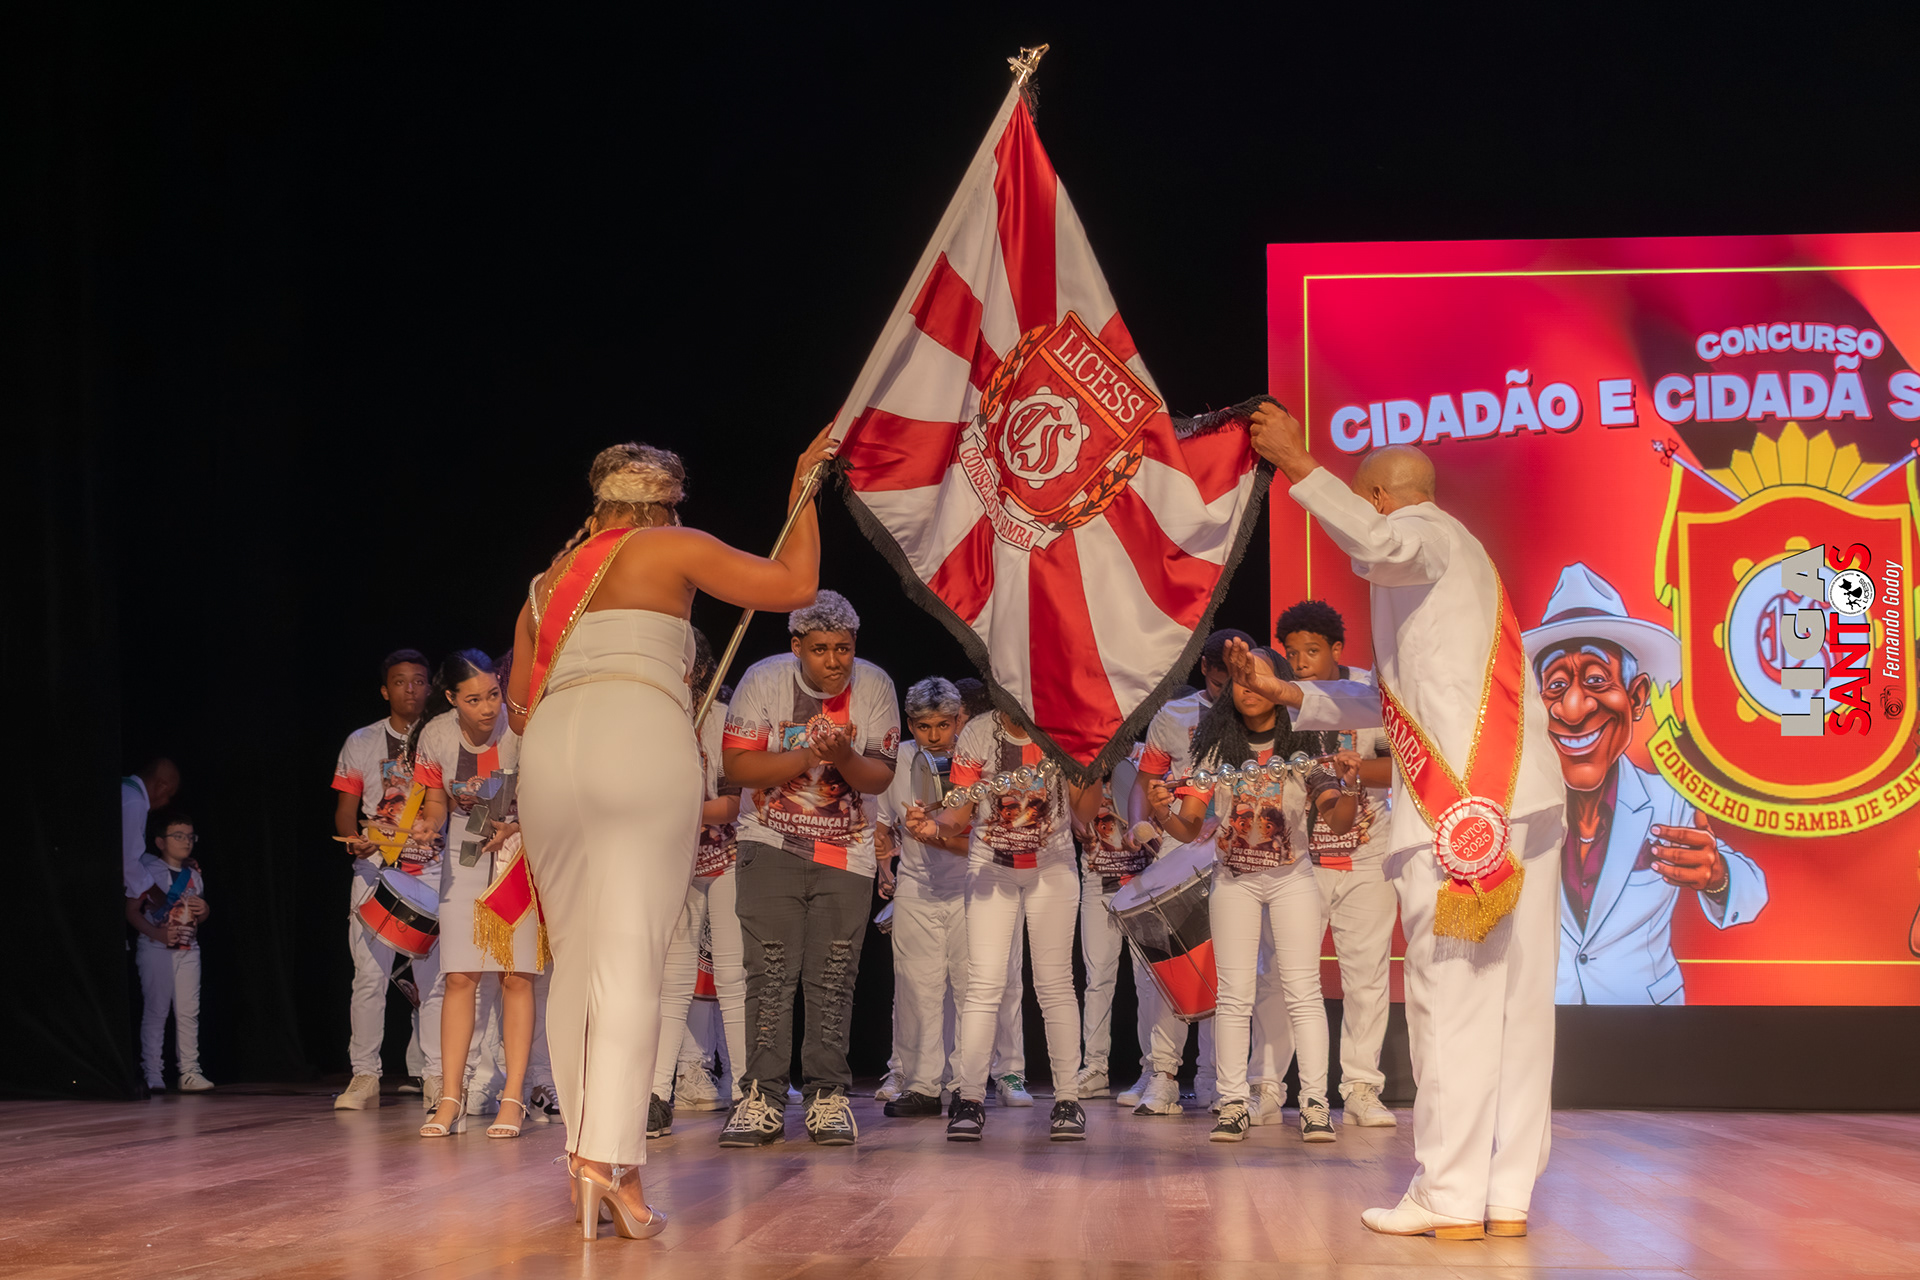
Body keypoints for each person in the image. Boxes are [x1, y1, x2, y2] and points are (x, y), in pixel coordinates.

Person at [1234, 412, 1567, 1240]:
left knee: (1448, 1001)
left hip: (1464, 811)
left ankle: (1449, 1194)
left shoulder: (1420, 535)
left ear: (1381, 496)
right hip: (1521, 801)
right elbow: (1395, 701)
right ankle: (1503, 1194)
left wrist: (1300, 465)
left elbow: (1384, 544)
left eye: (1367, 503)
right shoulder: (1459, 567)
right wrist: (1294, 696)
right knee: (1519, 1009)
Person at [508, 434, 827, 1240]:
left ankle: (587, 1161)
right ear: (666, 503)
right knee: (631, 958)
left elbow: (516, 706)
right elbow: (795, 587)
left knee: (576, 961)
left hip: (549, 753)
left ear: (600, 501)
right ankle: (608, 1161)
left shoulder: (547, 584)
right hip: (636, 735)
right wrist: (804, 485)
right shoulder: (669, 545)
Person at [1522, 564, 1767, 1004]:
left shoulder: (1670, 799)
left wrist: (1717, 875)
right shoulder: (1513, 806)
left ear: (1636, 698)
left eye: (1596, 680)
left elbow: (1752, 893)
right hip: (1543, 1025)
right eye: (1555, 685)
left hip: (1649, 1023)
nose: (1573, 708)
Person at [1146, 647, 1354, 1144]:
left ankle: (1315, 1106)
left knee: (1303, 992)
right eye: (1240, 679)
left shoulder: (1304, 741)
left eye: (1258, 678)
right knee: (1234, 996)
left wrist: (1347, 786)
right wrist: (1160, 811)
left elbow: (1338, 819)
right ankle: (1233, 1103)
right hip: (1233, 881)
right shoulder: (1214, 747)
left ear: (1278, 685)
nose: (1248, 687)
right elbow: (1188, 826)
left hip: (1292, 879)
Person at [719, 589, 900, 1148]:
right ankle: (762, 1098)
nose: (834, 661)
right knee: (769, 973)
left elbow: (880, 776)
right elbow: (737, 766)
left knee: (834, 976)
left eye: (843, 648)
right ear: (797, 646)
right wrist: (809, 755)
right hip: (770, 841)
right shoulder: (763, 679)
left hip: (846, 850)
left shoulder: (875, 686)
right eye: (820, 649)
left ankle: (828, 1097)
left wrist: (843, 755)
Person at [903, 709, 1102, 1143]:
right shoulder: (978, 732)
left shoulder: (1063, 725)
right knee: (984, 983)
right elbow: (959, 814)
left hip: (1052, 864)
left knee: (1054, 983)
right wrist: (933, 825)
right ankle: (970, 1099)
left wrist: (1090, 764)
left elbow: (1086, 810)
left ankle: (1068, 1099)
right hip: (991, 864)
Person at [1278, 600, 1400, 1127]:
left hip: (1368, 857)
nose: (1300, 662)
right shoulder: (1282, 700)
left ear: (1336, 649)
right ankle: (1267, 1086)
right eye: (1291, 653)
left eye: (1311, 651)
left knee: (1366, 979)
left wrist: (1352, 772)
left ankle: (1361, 1089)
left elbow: (1402, 767)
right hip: (1297, 861)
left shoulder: (1371, 695)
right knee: (1284, 977)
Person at [410, 650, 539, 1140]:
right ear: (450, 698)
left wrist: (515, 828)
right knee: (460, 976)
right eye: (473, 699)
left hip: (517, 851)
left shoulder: (520, 729)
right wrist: (428, 824)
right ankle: (451, 1097)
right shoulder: (436, 735)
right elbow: (437, 801)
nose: (487, 707)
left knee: (515, 976)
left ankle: (513, 1097)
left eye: (492, 695)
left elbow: (547, 794)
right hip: (463, 852)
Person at [646, 634, 748, 1138]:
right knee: (672, 981)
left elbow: (730, 805)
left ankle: (747, 1091)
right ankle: (656, 1094)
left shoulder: (725, 719)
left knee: (732, 978)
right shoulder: (650, 721)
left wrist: (672, 809)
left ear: (700, 669)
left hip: (727, 858)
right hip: (674, 863)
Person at [330, 648, 432, 1111]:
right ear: (385, 690)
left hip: (430, 870)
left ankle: (436, 1074)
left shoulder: (441, 735)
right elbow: (346, 809)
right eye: (400, 681)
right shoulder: (362, 741)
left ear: (430, 687)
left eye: (418, 680)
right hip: (375, 871)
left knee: (432, 980)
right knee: (369, 977)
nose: (410, 689)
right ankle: (364, 1076)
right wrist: (353, 840)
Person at [873, 677, 969, 1117]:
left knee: (969, 989)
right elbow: (882, 824)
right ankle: (922, 1086)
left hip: (970, 886)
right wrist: (884, 863)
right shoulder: (897, 761)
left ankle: (967, 1086)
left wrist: (935, 835)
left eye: (943, 725)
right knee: (917, 989)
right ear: (910, 724)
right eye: (924, 726)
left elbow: (981, 840)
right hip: (915, 885)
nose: (934, 735)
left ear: (958, 721)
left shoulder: (972, 762)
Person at [125, 806, 213, 1092]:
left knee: (188, 1012)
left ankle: (189, 1071)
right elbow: (132, 911)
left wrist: (204, 910)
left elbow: (197, 916)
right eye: (178, 836)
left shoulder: (194, 874)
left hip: (189, 949)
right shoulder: (148, 871)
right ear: (160, 841)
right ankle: (153, 1072)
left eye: (190, 836)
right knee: (157, 1010)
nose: (186, 841)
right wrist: (158, 934)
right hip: (155, 948)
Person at [122, 757, 180, 897]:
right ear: (161, 786)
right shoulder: (135, 802)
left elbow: (133, 854)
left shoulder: (126, 789)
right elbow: (128, 862)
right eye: (169, 795)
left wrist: (172, 861)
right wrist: (159, 897)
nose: (166, 803)